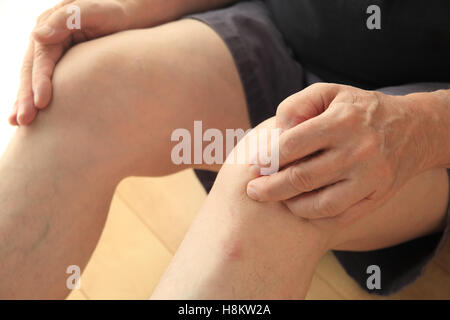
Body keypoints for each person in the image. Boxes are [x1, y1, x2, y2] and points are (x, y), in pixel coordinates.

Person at [2, 0, 449, 299]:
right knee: (79, 90)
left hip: (431, 112)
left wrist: (421, 129)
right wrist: (133, 6)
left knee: (280, 184)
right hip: (286, 26)